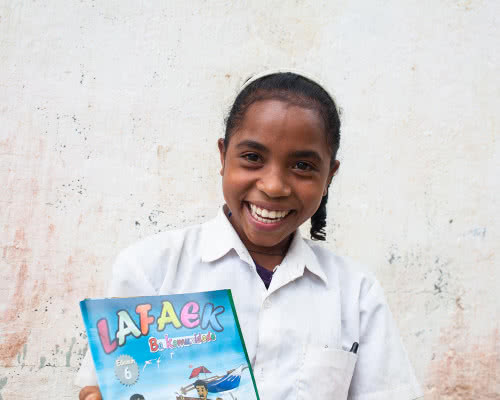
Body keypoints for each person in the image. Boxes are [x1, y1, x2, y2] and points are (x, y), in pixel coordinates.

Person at [77, 70, 423, 399]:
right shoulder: (149, 269)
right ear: (223, 155)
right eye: (252, 157)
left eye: (303, 165)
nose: (273, 186)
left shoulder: (356, 292)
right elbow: (112, 382)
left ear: (329, 175)